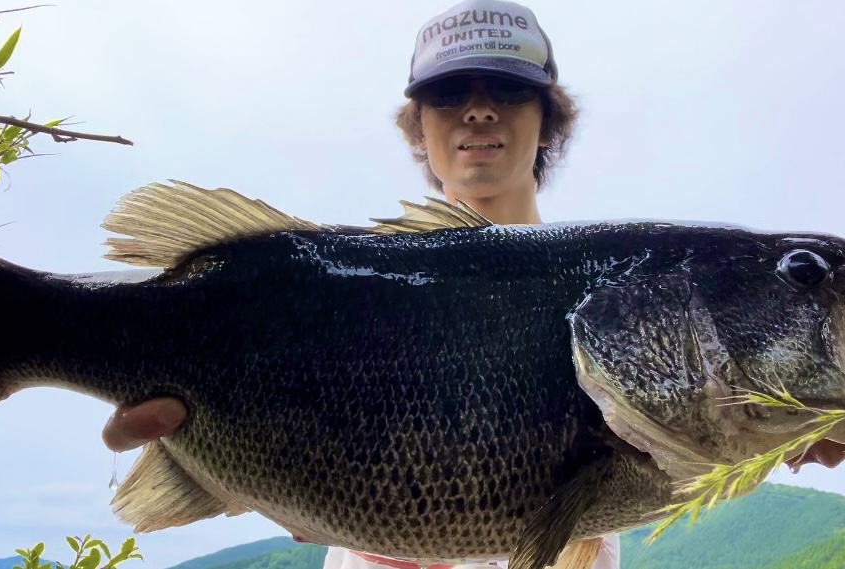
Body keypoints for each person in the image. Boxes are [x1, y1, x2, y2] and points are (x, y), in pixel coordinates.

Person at [100, 0, 620, 567]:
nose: (478, 110)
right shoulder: (339, 292)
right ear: (418, 127)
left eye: (508, 89)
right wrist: (224, 455)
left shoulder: (600, 300)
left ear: (549, 119)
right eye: (448, 94)